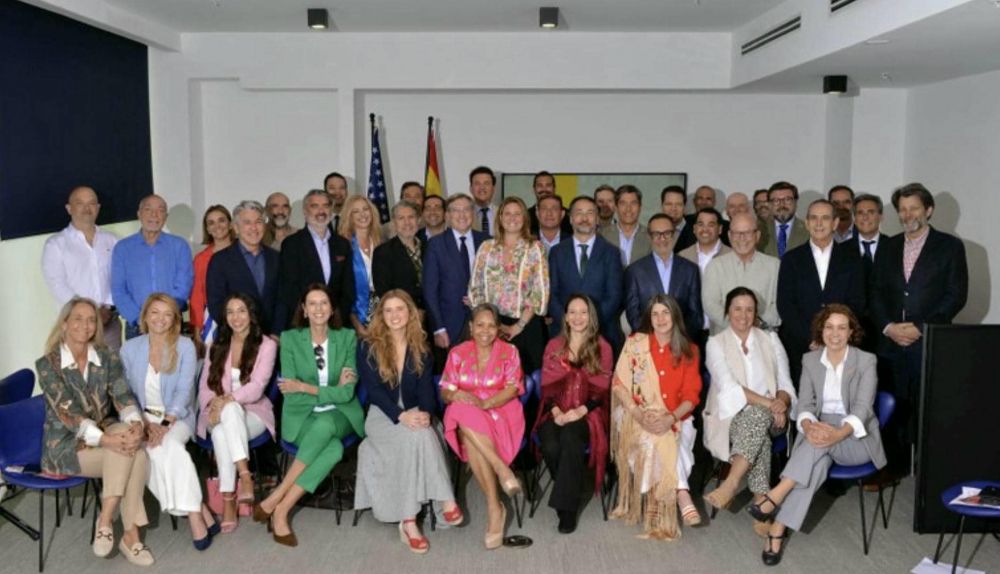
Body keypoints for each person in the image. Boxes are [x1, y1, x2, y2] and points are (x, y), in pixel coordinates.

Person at [750, 305, 886, 566]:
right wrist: (809, 425)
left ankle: (777, 494)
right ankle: (777, 529)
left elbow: (862, 409)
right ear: (821, 331)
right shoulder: (810, 360)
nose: (835, 333)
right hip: (819, 431)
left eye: (842, 327)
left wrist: (836, 434)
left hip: (855, 437)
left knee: (815, 447)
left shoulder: (866, 361)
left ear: (851, 332)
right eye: (829, 327)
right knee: (816, 464)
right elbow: (805, 404)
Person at [36, 297, 153, 565]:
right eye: (77, 318)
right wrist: (106, 440)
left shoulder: (106, 356)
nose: (85, 325)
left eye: (91, 320)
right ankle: (129, 536)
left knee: (129, 443)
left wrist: (135, 423)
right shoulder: (47, 365)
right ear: (64, 324)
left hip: (105, 433)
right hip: (66, 446)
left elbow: (122, 394)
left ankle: (106, 520)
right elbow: (70, 414)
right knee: (135, 454)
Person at [870, 183, 967, 478]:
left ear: (929, 210)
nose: (907, 214)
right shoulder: (887, 246)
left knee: (927, 409)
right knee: (892, 408)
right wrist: (888, 327)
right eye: (902, 209)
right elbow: (875, 292)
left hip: (928, 343)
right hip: (890, 345)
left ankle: (928, 472)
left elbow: (955, 295)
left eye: (913, 208)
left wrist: (921, 328)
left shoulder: (950, 246)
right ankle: (893, 469)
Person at [354, 291, 462, 554]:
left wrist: (426, 413)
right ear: (381, 315)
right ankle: (446, 500)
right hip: (382, 415)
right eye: (388, 310)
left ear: (410, 312)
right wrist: (400, 415)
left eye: (400, 309)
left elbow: (426, 391)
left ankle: (409, 522)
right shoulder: (367, 346)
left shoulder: (421, 348)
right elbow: (374, 392)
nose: (394, 315)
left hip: (413, 411)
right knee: (416, 433)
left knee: (421, 431)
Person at [255, 285, 364, 547]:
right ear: (303, 310)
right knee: (334, 449)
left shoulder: (347, 337)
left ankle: (278, 499)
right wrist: (331, 391)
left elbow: (347, 393)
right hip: (302, 417)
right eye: (312, 303)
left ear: (332, 309)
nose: (318, 309)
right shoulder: (290, 339)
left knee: (326, 424)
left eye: (324, 303)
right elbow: (291, 396)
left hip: (340, 415)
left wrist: (304, 387)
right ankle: (281, 510)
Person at [120, 293, 217, 549]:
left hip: (178, 417)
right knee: (149, 452)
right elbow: (124, 393)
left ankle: (194, 516)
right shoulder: (129, 348)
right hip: (142, 418)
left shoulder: (184, 346)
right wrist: (143, 423)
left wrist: (164, 425)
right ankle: (198, 510)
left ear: (175, 319)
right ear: (145, 316)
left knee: (169, 445)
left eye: (167, 314)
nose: (160, 319)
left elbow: (184, 391)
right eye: (154, 312)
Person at [702, 288, 796, 535]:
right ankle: (761, 503)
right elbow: (730, 389)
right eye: (737, 309)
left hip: (775, 418)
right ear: (727, 312)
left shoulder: (771, 340)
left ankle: (731, 483)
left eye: (749, 309)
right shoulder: (715, 344)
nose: (743, 315)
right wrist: (769, 404)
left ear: (756, 313)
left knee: (757, 418)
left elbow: (785, 383)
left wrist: (781, 402)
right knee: (757, 427)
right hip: (731, 418)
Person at [609, 294, 703, 537]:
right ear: (649, 319)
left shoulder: (689, 350)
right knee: (656, 438)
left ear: (675, 316)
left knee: (666, 439)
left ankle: (655, 498)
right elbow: (619, 384)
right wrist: (639, 415)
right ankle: (682, 494)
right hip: (635, 414)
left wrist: (670, 419)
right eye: (655, 314)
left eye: (665, 313)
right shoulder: (636, 344)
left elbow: (691, 396)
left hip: (677, 417)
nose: (660, 319)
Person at [439, 304, 525, 549]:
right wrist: (454, 395)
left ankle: (495, 507)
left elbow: (513, 388)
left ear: (498, 328)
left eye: (491, 326)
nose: (485, 331)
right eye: (479, 325)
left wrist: (486, 403)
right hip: (469, 414)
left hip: (502, 411)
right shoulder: (457, 353)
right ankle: (500, 474)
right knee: (459, 407)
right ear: (470, 327)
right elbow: (445, 390)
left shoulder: (510, 351)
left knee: (468, 431)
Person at [197, 293, 276, 532]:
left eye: (241, 310)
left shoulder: (267, 345)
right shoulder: (216, 345)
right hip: (216, 411)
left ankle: (228, 499)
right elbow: (205, 386)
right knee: (225, 420)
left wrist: (227, 400)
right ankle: (245, 475)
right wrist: (213, 405)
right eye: (230, 312)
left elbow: (257, 386)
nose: (236, 317)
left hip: (253, 412)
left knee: (222, 431)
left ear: (251, 314)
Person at [533, 294, 612, 534]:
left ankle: (566, 510)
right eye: (573, 312)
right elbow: (547, 388)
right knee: (550, 443)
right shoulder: (554, 346)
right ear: (565, 317)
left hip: (589, 412)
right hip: (555, 410)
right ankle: (570, 489)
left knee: (570, 437)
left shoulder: (603, 347)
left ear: (591, 316)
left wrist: (579, 411)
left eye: (583, 312)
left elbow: (601, 391)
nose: (578, 317)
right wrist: (557, 412)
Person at [777, 200, 866, 386]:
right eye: (813, 218)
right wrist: (813, 337)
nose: (818, 223)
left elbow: (857, 302)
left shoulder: (852, 258)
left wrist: (835, 336)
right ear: (807, 223)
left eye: (825, 218)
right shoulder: (791, 259)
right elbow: (785, 304)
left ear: (835, 223)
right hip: (801, 346)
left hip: (841, 345)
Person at [468, 197, 549, 374]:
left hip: (525, 327)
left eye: (517, 214)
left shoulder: (535, 248)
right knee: (491, 377)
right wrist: (494, 325)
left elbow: (540, 293)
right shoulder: (486, 247)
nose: (512, 218)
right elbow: (475, 288)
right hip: (490, 329)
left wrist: (518, 326)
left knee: (525, 381)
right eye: (507, 213)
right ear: (500, 217)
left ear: (525, 218)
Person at [42, 186, 121, 350]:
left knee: (112, 366)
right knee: (79, 366)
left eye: (91, 203)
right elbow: (57, 284)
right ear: (69, 208)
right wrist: (89, 314)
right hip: (75, 324)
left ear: (98, 208)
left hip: (109, 322)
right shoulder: (56, 244)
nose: (87, 208)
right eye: (80, 203)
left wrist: (108, 307)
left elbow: (120, 277)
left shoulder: (112, 240)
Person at [111, 194, 193, 340]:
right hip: (136, 326)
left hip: (171, 323)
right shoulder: (123, 248)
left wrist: (165, 316)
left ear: (166, 217)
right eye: (148, 209)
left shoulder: (179, 246)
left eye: (160, 210)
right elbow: (118, 290)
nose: (154, 215)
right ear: (139, 214)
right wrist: (139, 319)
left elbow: (183, 286)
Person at [548, 196, 623, 352]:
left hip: (602, 333)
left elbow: (614, 297)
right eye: (579, 213)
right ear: (571, 219)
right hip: (563, 334)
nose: (584, 218)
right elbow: (551, 295)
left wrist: (590, 324)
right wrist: (569, 323)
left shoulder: (612, 253)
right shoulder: (556, 252)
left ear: (597, 219)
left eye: (590, 213)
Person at [277, 189, 355, 331]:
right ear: (305, 211)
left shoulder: (342, 244)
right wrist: (311, 318)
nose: (321, 211)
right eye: (315, 206)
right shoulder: (292, 244)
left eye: (325, 206)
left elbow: (348, 288)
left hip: (337, 324)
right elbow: (290, 289)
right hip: (303, 325)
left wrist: (336, 317)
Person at [423, 194, 488, 353]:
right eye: (456, 210)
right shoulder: (435, 244)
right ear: (447, 215)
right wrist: (438, 328)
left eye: (466, 209)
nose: (462, 215)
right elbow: (430, 290)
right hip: (450, 325)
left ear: (473, 213)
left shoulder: (487, 242)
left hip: (484, 322)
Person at [206, 200, 281, 334]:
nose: (254, 228)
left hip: (272, 337)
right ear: (236, 228)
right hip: (236, 337)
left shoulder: (276, 258)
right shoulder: (220, 261)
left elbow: (283, 300)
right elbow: (216, 304)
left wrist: (276, 333)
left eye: (258, 222)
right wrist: (239, 334)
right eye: (247, 223)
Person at [624, 214, 702, 338]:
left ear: (674, 235)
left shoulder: (690, 270)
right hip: (648, 342)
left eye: (667, 233)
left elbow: (695, 314)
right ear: (649, 237)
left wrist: (678, 338)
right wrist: (654, 340)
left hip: (681, 342)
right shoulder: (634, 271)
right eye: (656, 234)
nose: (662, 239)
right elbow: (633, 314)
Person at [703, 212, 781, 334]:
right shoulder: (715, 266)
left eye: (747, 233)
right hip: (724, 338)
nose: (742, 238)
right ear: (729, 236)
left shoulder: (775, 266)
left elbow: (780, 305)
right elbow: (710, 305)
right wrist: (738, 324)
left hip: (763, 337)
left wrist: (757, 322)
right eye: (736, 233)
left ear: (757, 235)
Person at [338, 194, 383, 336]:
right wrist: (356, 323)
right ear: (349, 217)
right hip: (355, 317)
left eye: (365, 209)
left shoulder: (382, 243)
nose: (362, 214)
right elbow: (343, 290)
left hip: (384, 312)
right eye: (355, 211)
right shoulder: (343, 247)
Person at [191, 205, 235, 337]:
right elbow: (197, 297)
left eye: (221, 220)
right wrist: (198, 329)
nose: (217, 226)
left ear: (230, 224)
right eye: (211, 223)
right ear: (207, 229)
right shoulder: (201, 259)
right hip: (212, 321)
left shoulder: (243, 252)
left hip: (243, 316)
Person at [372, 201, 425, 309]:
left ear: (418, 220)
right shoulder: (383, 252)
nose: (407, 222)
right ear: (393, 223)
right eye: (401, 218)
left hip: (433, 312)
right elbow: (384, 292)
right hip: (402, 312)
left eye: (411, 217)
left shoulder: (430, 247)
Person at [600, 184, 651, 267]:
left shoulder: (651, 236)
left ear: (640, 207)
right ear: (616, 207)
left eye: (633, 203)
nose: (628, 209)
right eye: (623, 203)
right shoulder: (602, 235)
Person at [757, 181, 808, 259]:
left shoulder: (808, 230)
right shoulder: (759, 230)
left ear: (795, 202)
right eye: (776, 201)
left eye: (787, 199)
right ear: (770, 205)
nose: (782, 205)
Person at [527, 170, 572, 237]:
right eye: (540, 185)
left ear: (554, 188)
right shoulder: (526, 216)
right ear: (534, 189)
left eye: (548, 185)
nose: (544, 189)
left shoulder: (568, 216)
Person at [661, 185, 696, 253]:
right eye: (669, 204)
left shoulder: (695, 233)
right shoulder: (651, 232)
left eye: (678, 204)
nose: (673, 208)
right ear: (662, 206)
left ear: (684, 207)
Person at [469, 166, 498, 236]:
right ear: (471, 188)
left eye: (486, 183)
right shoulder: (463, 214)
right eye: (477, 184)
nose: (482, 187)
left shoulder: (502, 213)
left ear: (493, 188)